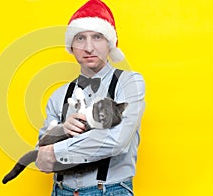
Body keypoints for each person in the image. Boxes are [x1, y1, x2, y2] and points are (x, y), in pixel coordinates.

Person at [36, 0, 145, 195]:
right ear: (71, 45)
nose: (88, 47)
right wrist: (62, 129)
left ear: (110, 43)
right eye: (80, 38)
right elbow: (42, 158)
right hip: (60, 190)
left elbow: (116, 141)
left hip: (108, 190)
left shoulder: (129, 83)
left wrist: (57, 151)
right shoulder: (58, 95)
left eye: (97, 37)